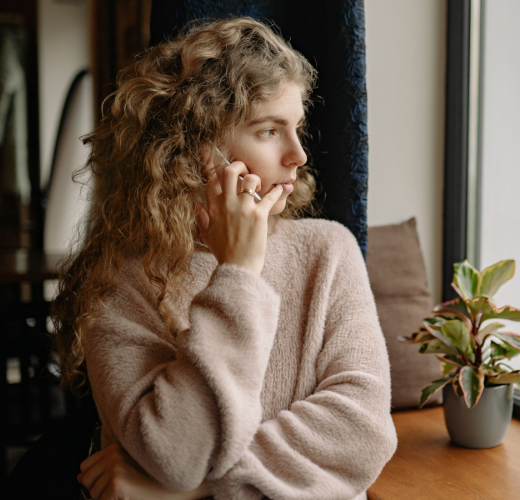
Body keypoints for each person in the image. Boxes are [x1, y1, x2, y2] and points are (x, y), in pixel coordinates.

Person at [50, 17, 396, 500]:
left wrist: (192, 491)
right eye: (269, 130)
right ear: (193, 149)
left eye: (297, 127)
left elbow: (363, 434)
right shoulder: (118, 281)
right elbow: (174, 452)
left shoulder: (328, 250)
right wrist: (239, 274)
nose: (297, 154)